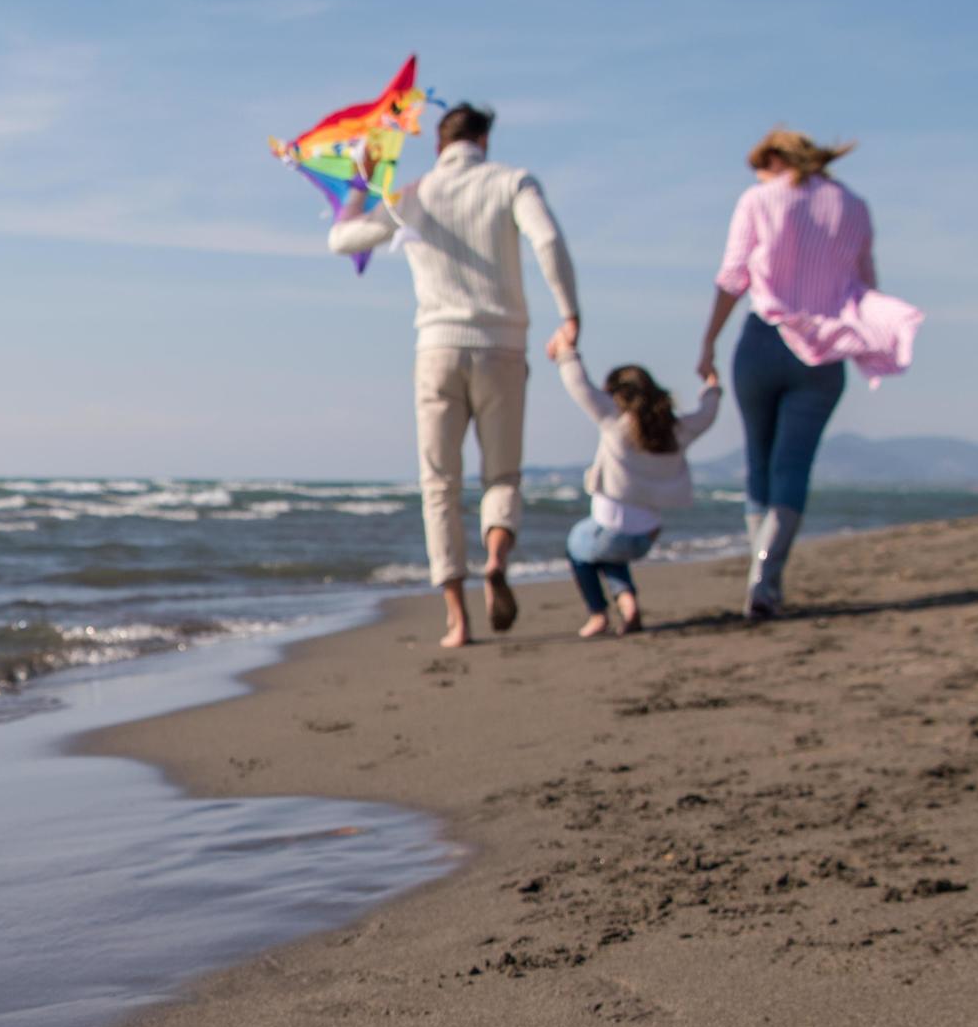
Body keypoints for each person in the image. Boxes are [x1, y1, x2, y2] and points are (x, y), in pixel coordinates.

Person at [327, 101, 584, 649]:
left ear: (439, 144)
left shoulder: (413, 194)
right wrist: (569, 313)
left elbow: (340, 239)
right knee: (502, 475)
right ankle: (495, 558)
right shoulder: (512, 181)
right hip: (503, 346)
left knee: (439, 484)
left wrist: (363, 178)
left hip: (437, 347)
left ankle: (457, 619)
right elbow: (548, 241)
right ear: (483, 141)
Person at [697, 128, 890, 619]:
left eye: (760, 167)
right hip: (823, 350)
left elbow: (732, 276)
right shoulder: (854, 206)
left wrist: (708, 341)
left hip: (763, 340)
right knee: (792, 467)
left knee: (759, 463)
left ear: (777, 159)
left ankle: (758, 581)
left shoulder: (760, 200)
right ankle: (766, 579)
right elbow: (866, 286)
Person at [555, 355, 720, 638]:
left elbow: (579, 385)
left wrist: (566, 354)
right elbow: (707, 414)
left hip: (609, 530)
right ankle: (628, 604)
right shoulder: (674, 430)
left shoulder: (616, 423)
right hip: (647, 535)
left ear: (618, 395)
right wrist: (712, 385)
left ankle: (597, 614)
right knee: (609, 556)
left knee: (578, 549)